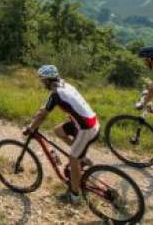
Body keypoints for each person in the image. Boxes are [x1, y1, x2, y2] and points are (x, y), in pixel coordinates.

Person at [22, 64, 99, 206]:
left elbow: (43, 115)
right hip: (89, 121)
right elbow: (44, 108)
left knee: (72, 157)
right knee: (58, 131)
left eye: (42, 80)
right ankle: (83, 158)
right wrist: (37, 116)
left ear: (48, 80)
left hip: (86, 128)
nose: (41, 83)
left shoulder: (56, 94)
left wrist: (31, 128)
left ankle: (75, 195)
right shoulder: (64, 85)